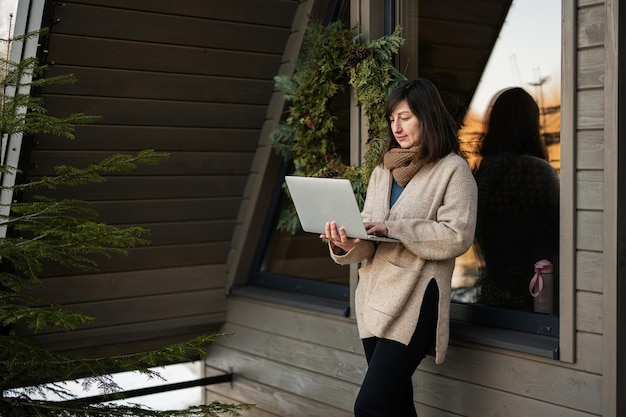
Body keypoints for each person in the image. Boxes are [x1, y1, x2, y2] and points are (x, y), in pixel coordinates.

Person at [321, 79, 478, 417]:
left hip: (416, 299)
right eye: (392, 119)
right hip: (374, 298)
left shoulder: (453, 170)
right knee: (395, 404)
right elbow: (370, 236)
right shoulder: (383, 170)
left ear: (427, 116)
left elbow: (458, 235)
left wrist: (394, 228)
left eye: (405, 117)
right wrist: (347, 243)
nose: (397, 126)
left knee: (370, 406)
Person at [473, 87, 560, 311]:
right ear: (532, 125)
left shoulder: (483, 172)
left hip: (492, 294)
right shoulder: (536, 170)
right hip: (536, 295)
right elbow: (565, 234)